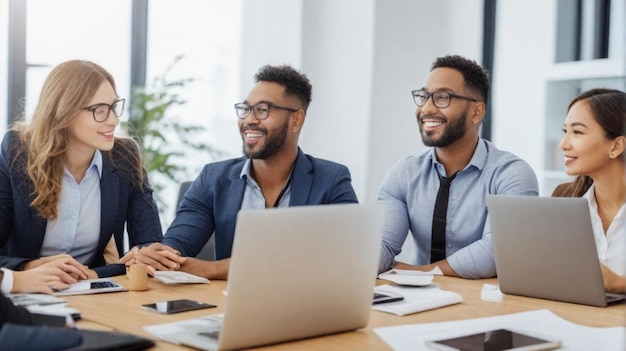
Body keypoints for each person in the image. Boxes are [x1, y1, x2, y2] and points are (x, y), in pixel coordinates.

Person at [122, 64, 358, 279]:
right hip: (227, 308)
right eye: (245, 109)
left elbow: (346, 258)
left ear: (296, 120)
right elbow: (176, 248)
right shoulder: (213, 178)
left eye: (263, 110)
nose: (249, 120)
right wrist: (158, 256)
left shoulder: (331, 181)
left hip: (305, 308)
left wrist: (213, 268)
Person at [377, 55, 539, 279]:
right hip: (413, 301)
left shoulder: (512, 174)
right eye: (424, 97)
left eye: (443, 97)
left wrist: (418, 273)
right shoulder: (403, 174)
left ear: (477, 112)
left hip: (486, 304)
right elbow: (382, 245)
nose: (426, 108)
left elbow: (496, 252)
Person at [0, 60, 163, 279]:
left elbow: (149, 246)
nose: (114, 120)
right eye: (100, 110)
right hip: (26, 293)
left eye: (114, 107)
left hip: (91, 290)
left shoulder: (125, 156)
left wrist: (138, 259)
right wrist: (29, 269)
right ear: (64, 112)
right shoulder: (18, 151)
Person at [552, 88, 625, 294]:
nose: (563, 144)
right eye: (565, 131)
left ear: (616, 145)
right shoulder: (563, 197)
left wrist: (620, 283)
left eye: (577, 132)